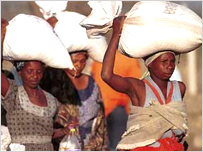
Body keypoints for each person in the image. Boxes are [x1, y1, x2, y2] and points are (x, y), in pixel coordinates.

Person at [101, 16, 188, 151]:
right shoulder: (139, 88)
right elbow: (107, 76)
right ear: (150, 65)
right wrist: (116, 34)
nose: (170, 66)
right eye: (164, 62)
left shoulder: (179, 88)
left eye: (172, 61)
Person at [1, 18, 60, 151]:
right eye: (29, 71)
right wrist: (2, 35)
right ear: (20, 72)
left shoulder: (51, 100)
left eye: (39, 72)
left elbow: (48, 134)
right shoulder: (13, 93)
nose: (35, 76)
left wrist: (66, 130)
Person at [40, 50, 108, 151]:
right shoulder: (54, 80)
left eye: (82, 61)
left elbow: (100, 118)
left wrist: (103, 147)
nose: (78, 65)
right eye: (74, 61)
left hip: (90, 145)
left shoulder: (92, 83)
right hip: (63, 145)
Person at [91, 51, 142, 150]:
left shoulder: (100, 55)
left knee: (99, 145)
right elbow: (136, 84)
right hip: (117, 108)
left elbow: (94, 78)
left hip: (99, 108)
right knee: (116, 146)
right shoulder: (129, 59)